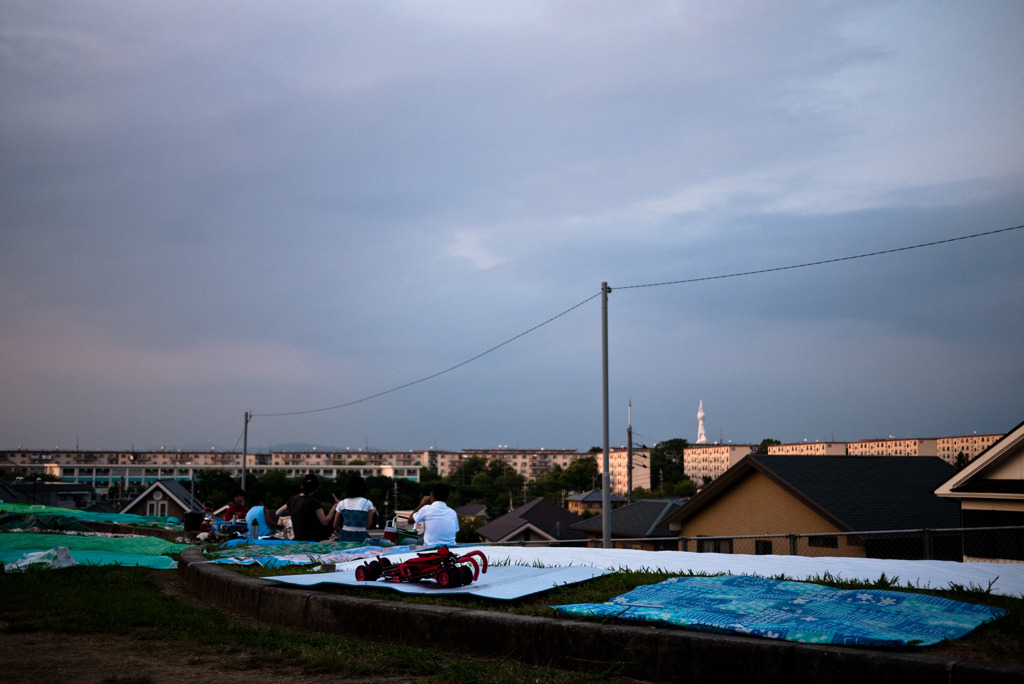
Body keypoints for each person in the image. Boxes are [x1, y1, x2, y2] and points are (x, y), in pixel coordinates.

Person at [276, 474, 337, 542]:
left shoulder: (293, 499)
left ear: (302, 486)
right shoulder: (314, 502)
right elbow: (325, 522)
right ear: (315, 489)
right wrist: (334, 507)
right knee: (334, 540)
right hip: (311, 539)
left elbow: (278, 513)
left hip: (297, 538)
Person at [408, 483, 458, 548]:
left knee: (411, 546)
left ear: (432, 495)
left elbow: (410, 520)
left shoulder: (427, 509)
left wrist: (422, 504)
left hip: (430, 549)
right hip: (450, 549)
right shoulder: (453, 513)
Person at [333, 475, 377, 543]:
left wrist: (341, 533)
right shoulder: (368, 503)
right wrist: (372, 512)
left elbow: (335, 525)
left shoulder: (342, 503)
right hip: (361, 537)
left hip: (344, 536)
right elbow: (367, 526)